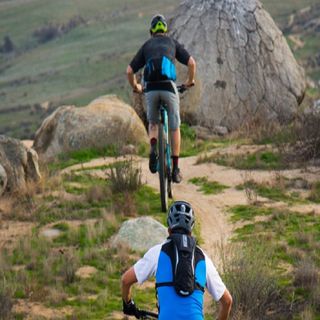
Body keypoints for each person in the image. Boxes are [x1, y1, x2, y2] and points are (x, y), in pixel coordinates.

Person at [121, 201, 233, 320]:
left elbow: (125, 280)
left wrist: (128, 305)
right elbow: (227, 302)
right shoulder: (203, 258)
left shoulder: (158, 252)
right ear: (191, 231)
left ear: (169, 230)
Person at [126, 14, 196, 183]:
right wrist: (189, 81)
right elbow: (192, 63)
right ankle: (176, 169)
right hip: (168, 87)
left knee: (153, 123)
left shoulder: (146, 46)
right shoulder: (172, 43)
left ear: (151, 32)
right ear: (165, 30)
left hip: (150, 88)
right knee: (174, 127)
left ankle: (153, 147)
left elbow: (129, 70)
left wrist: (136, 87)